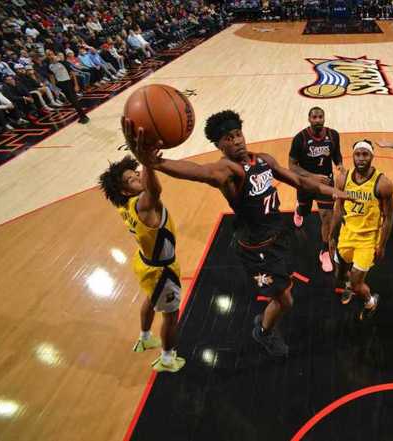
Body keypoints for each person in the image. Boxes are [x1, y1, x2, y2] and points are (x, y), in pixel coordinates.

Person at [123, 110, 350, 357]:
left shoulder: (263, 160)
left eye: (238, 134)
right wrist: (156, 163)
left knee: (283, 292)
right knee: (285, 300)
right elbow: (199, 171)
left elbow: (299, 181)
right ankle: (263, 332)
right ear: (219, 146)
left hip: (276, 236)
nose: (237, 141)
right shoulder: (227, 171)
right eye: (228, 139)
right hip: (257, 249)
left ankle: (268, 313)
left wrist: (333, 192)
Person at [98, 155, 185, 373]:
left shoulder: (124, 205)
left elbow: (147, 188)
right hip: (161, 271)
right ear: (125, 191)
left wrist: (143, 165)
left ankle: (145, 338)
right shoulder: (143, 206)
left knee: (150, 298)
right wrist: (147, 161)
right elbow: (155, 190)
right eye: (131, 180)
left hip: (145, 263)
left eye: (136, 174)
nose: (138, 177)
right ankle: (167, 358)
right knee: (171, 316)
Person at [329, 140, 393, 321]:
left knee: (358, 285)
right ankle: (349, 285)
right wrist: (331, 237)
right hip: (346, 234)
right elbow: (338, 209)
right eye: (358, 154)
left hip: (367, 240)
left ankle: (370, 302)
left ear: (372, 156)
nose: (361, 158)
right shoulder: (343, 179)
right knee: (339, 275)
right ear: (353, 156)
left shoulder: (383, 184)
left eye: (365, 154)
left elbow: (388, 217)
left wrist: (382, 245)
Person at [289, 106, 343, 272]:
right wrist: (312, 176)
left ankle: (324, 251)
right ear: (309, 119)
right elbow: (292, 166)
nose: (318, 120)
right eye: (314, 117)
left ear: (324, 118)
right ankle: (299, 210)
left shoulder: (333, 135)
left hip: (326, 183)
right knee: (304, 211)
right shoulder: (300, 138)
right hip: (306, 183)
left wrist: (340, 165)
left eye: (320, 117)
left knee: (327, 217)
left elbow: (336, 154)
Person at [47, 52, 89, 124]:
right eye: (48, 55)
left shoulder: (63, 62)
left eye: (51, 54)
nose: (50, 56)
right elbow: (52, 77)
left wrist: (76, 85)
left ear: (54, 55)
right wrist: (54, 88)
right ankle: (81, 116)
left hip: (68, 82)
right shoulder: (50, 66)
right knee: (72, 101)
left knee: (74, 100)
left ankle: (84, 117)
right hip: (60, 84)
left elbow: (72, 73)